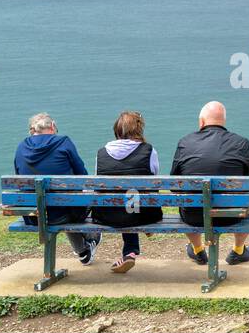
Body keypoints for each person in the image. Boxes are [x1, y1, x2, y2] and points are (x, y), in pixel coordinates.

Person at [171, 101, 249, 265]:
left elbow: (175, 184)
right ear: (223, 121)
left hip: (193, 216)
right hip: (231, 216)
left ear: (201, 122)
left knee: (186, 201)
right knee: (248, 200)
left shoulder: (185, 142)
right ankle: (238, 250)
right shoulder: (241, 143)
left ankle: (197, 250)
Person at [13, 112, 100, 265]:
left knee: (61, 202)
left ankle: (83, 251)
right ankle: (91, 237)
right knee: (76, 200)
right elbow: (83, 176)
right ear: (52, 126)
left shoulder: (21, 146)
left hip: (34, 216)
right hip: (63, 213)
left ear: (32, 130)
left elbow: (19, 176)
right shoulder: (63, 142)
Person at [93, 110, 163, 273]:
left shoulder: (101, 153)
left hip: (107, 214)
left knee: (125, 203)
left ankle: (130, 251)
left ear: (117, 130)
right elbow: (154, 182)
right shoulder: (149, 151)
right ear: (139, 130)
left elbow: (98, 186)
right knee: (132, 202)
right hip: (143, 214)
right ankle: (131, 250)